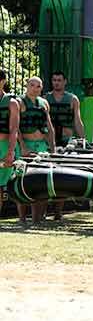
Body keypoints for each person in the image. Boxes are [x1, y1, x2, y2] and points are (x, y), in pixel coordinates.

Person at [46, 70, 85, 221]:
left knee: (61, 176)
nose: (56, 82)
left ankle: (58, 212)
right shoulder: (45, 99)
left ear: (65, 81)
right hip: (49, 142)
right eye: (54, 80)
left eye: (59, 80)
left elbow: (77, 121)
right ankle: (42, 211)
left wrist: (82, 140)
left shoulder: (72, 99)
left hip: (66, 142)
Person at [17, 77, 56, 224]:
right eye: (32, 85)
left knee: (42, 181)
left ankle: (38, 218)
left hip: (41, 145)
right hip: (26, 145)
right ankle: (22, 218)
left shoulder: (44, 103)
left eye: (38, 86)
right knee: (22, 180)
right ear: (27, 86)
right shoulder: (19, 102)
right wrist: (22, 146)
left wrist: (52, 148)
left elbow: (49, 126)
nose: (35, 88)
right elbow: (16, 127)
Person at [0, 71, 20, 216]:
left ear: (3, 81)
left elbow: (14, 129)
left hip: (4, 146)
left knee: (2, 186)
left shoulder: (12, 102)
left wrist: (10, 151)